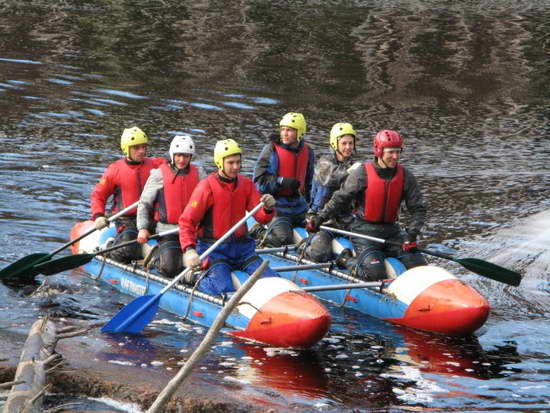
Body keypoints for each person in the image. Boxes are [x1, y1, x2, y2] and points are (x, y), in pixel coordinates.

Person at [307, 129, 427, 281]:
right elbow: (340, 199)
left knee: (419, 266)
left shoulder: (405, 176)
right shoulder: (362, 173)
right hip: (365, 233)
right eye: (391, 152)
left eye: (398, 152)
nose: (395, 156)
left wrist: (412, 233)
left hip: (393, 232)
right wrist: (319, 218)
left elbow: (418, 208)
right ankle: (346, 260)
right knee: (374, 274)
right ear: (379, 151)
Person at [178, 138, 278, 296]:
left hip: (243, 249)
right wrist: (189, 250)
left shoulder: (246, 184)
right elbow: (186, 222)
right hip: (214, 249)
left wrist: (267, 208)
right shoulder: (206, 187)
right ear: (220, 162)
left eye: (238, 162)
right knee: (223, 289)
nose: (236, 167)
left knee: (272, 281)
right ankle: (193, 276)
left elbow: (261, 218)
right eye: (231, 163)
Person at [90, 126, 166, 263]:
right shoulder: (114, 170)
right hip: (126, 221)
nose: (142, 151)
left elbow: (175, 168)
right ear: (127, 149)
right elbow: (98, 195)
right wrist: (98, 215)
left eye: (144, 147)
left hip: (151, 219)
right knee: (129, 247)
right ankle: (110, 248)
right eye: (137, 148)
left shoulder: (156, 164)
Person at [136, 135, 206, 277]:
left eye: (186, 156)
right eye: (179, 155)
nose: (182, 160)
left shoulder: (199, 174)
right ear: (172, 155)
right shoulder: (159, 175)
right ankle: (156, 257)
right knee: (170, 268)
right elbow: (144, 204)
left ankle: (190, 278)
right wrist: (142, 228)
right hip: (168, 232)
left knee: (205, 262)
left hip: (193, 231)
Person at [251, 112, 315, 247]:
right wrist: (280, 181)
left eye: (289, 130)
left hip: (299, 207)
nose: (284, 134)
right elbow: (258, 183)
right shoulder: (271, 150)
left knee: (315, 234)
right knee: (283, 239)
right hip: (277, 207)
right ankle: (257, 231)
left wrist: (310, 208)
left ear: (300, 133)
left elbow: (308, 184)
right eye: (283, 129)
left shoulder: (308, 151)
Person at [306, 122, 358, 263]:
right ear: (335, 144)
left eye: (350, 143)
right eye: (344, 143)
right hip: (322, 220)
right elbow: (331, 178)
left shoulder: (353, 166)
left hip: (346, 220)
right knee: (319, 254)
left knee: (364, 243)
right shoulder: (324, 163)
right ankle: (305, 249)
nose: (348, 147)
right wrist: (351, 172)